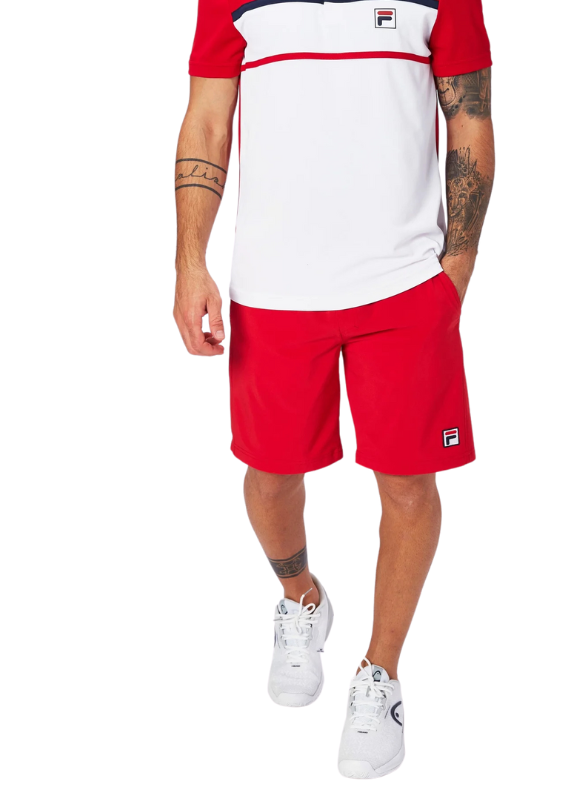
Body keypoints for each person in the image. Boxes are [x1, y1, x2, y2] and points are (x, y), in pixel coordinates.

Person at [173, 0, 494, 779]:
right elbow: (207, 120)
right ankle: (303, 598)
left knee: (409, 484)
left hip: (403, 285)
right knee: (270, 477)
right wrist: (189, 260)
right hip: (273, 289)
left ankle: (379, 672)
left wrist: (454, 273)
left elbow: (471, 116)